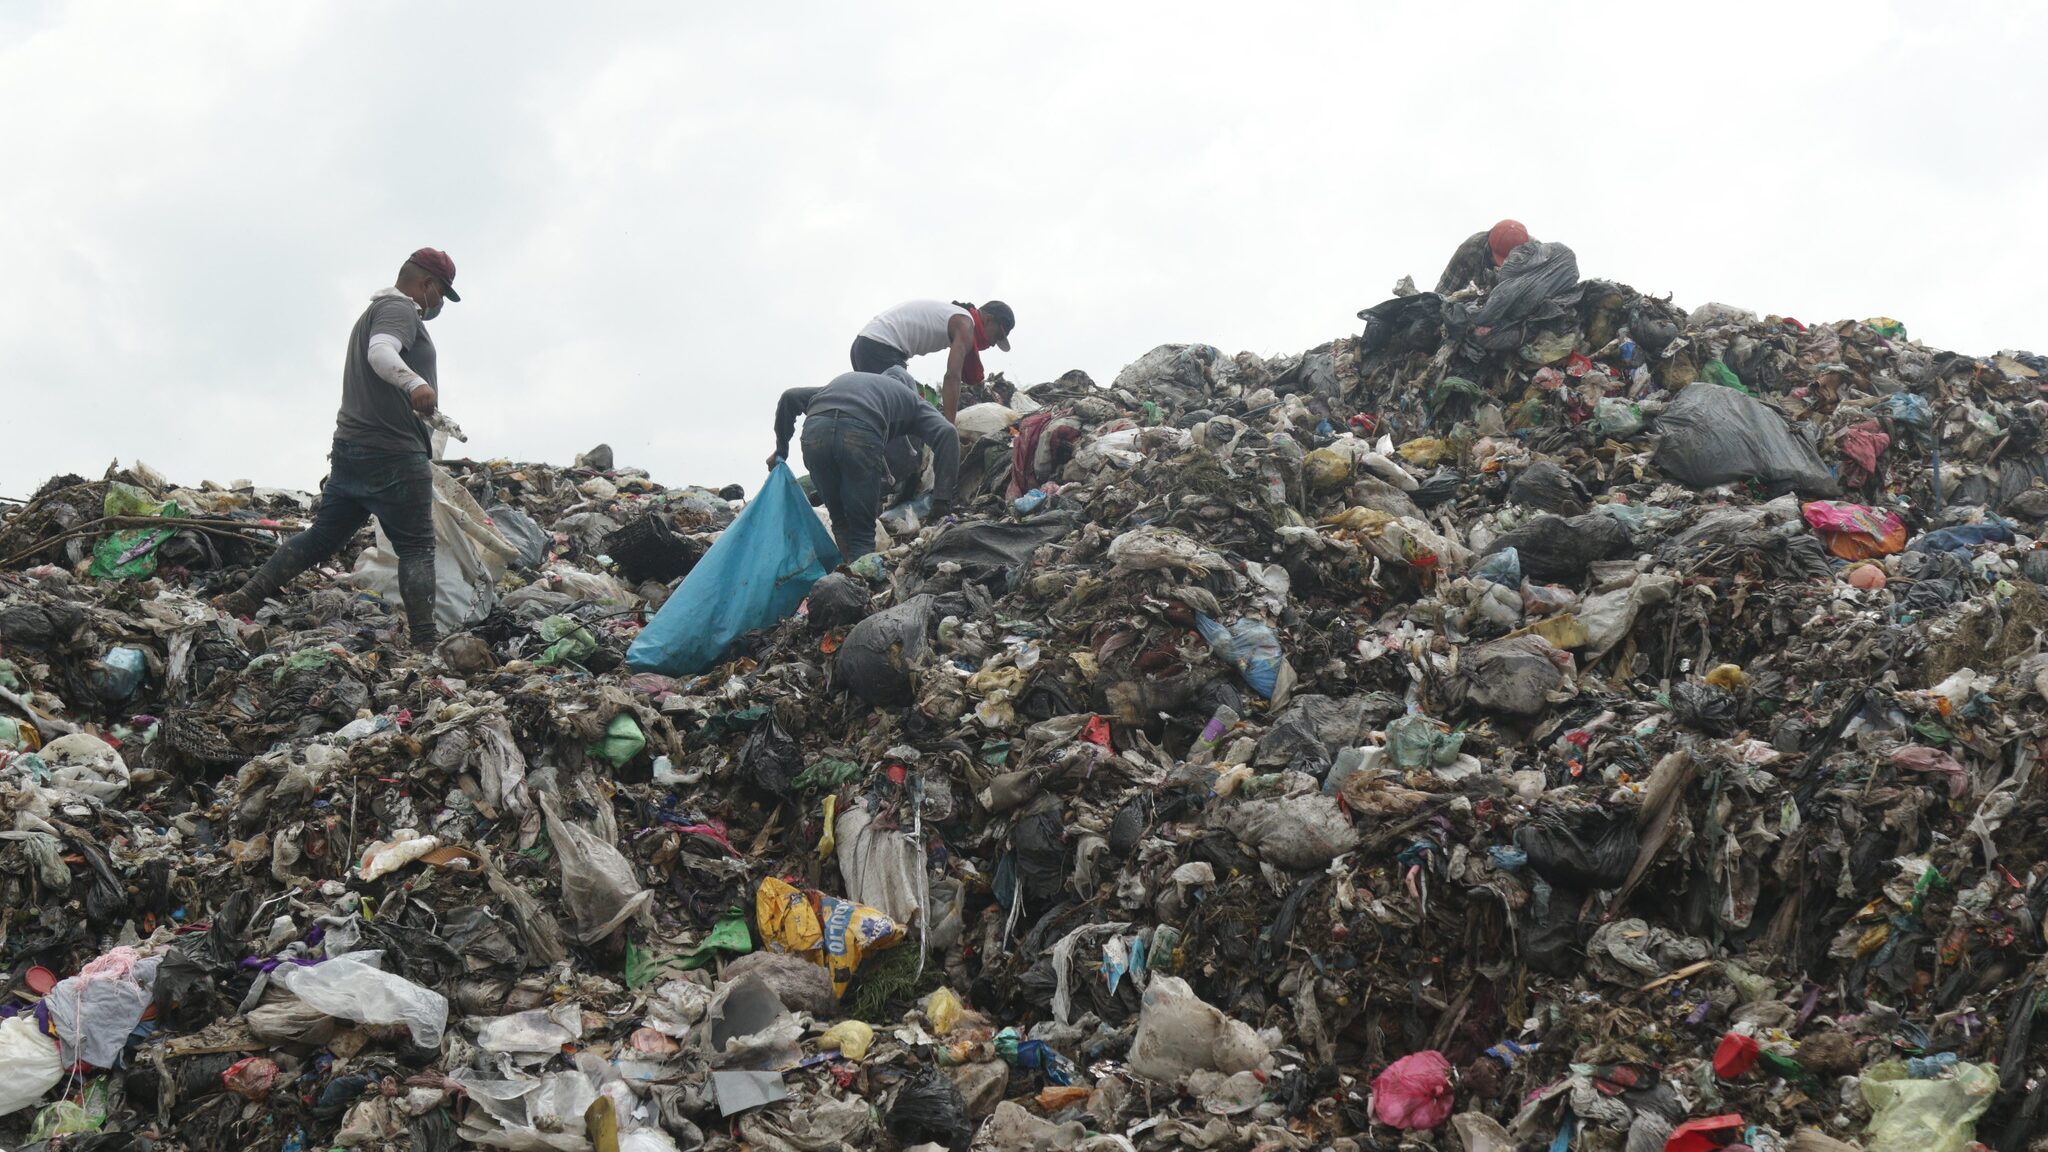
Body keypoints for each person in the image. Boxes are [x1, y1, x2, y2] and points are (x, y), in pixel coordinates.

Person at [213, 248, 461, 650]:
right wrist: (415, 383)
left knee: (324, 537)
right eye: (441, 295)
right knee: (417, 547)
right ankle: (425, 643)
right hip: (393, 454)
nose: (438, 306)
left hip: (352, 449)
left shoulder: (374, 311)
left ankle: (249, 595)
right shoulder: (400, 310)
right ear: (427, 284)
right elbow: (381, 353)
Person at [770, 369, 961, 561]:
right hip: (859, 433)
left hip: (815, 433)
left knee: (841, 521)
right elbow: (948, 433)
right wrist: (941, 502)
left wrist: (781, 451)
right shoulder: (911, 399)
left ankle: (845, 576)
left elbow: (789, 397)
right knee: (862, 535)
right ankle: (859, 583)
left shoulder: (846, 385)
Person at [849, 299, 1014, 423]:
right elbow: (952, 377)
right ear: (988, 320)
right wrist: (949, 427)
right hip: (880, 348)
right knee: (907, 418)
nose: (993, 344)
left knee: (882, 416)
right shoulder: (965, 324)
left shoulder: (957, 316)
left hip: (864, 345)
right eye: (997, 336)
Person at [1434, 220, 1533, 295]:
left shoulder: (1537, 254)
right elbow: (1445, 291)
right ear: (1489, 246)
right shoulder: (1470, 252)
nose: (1503, 267)